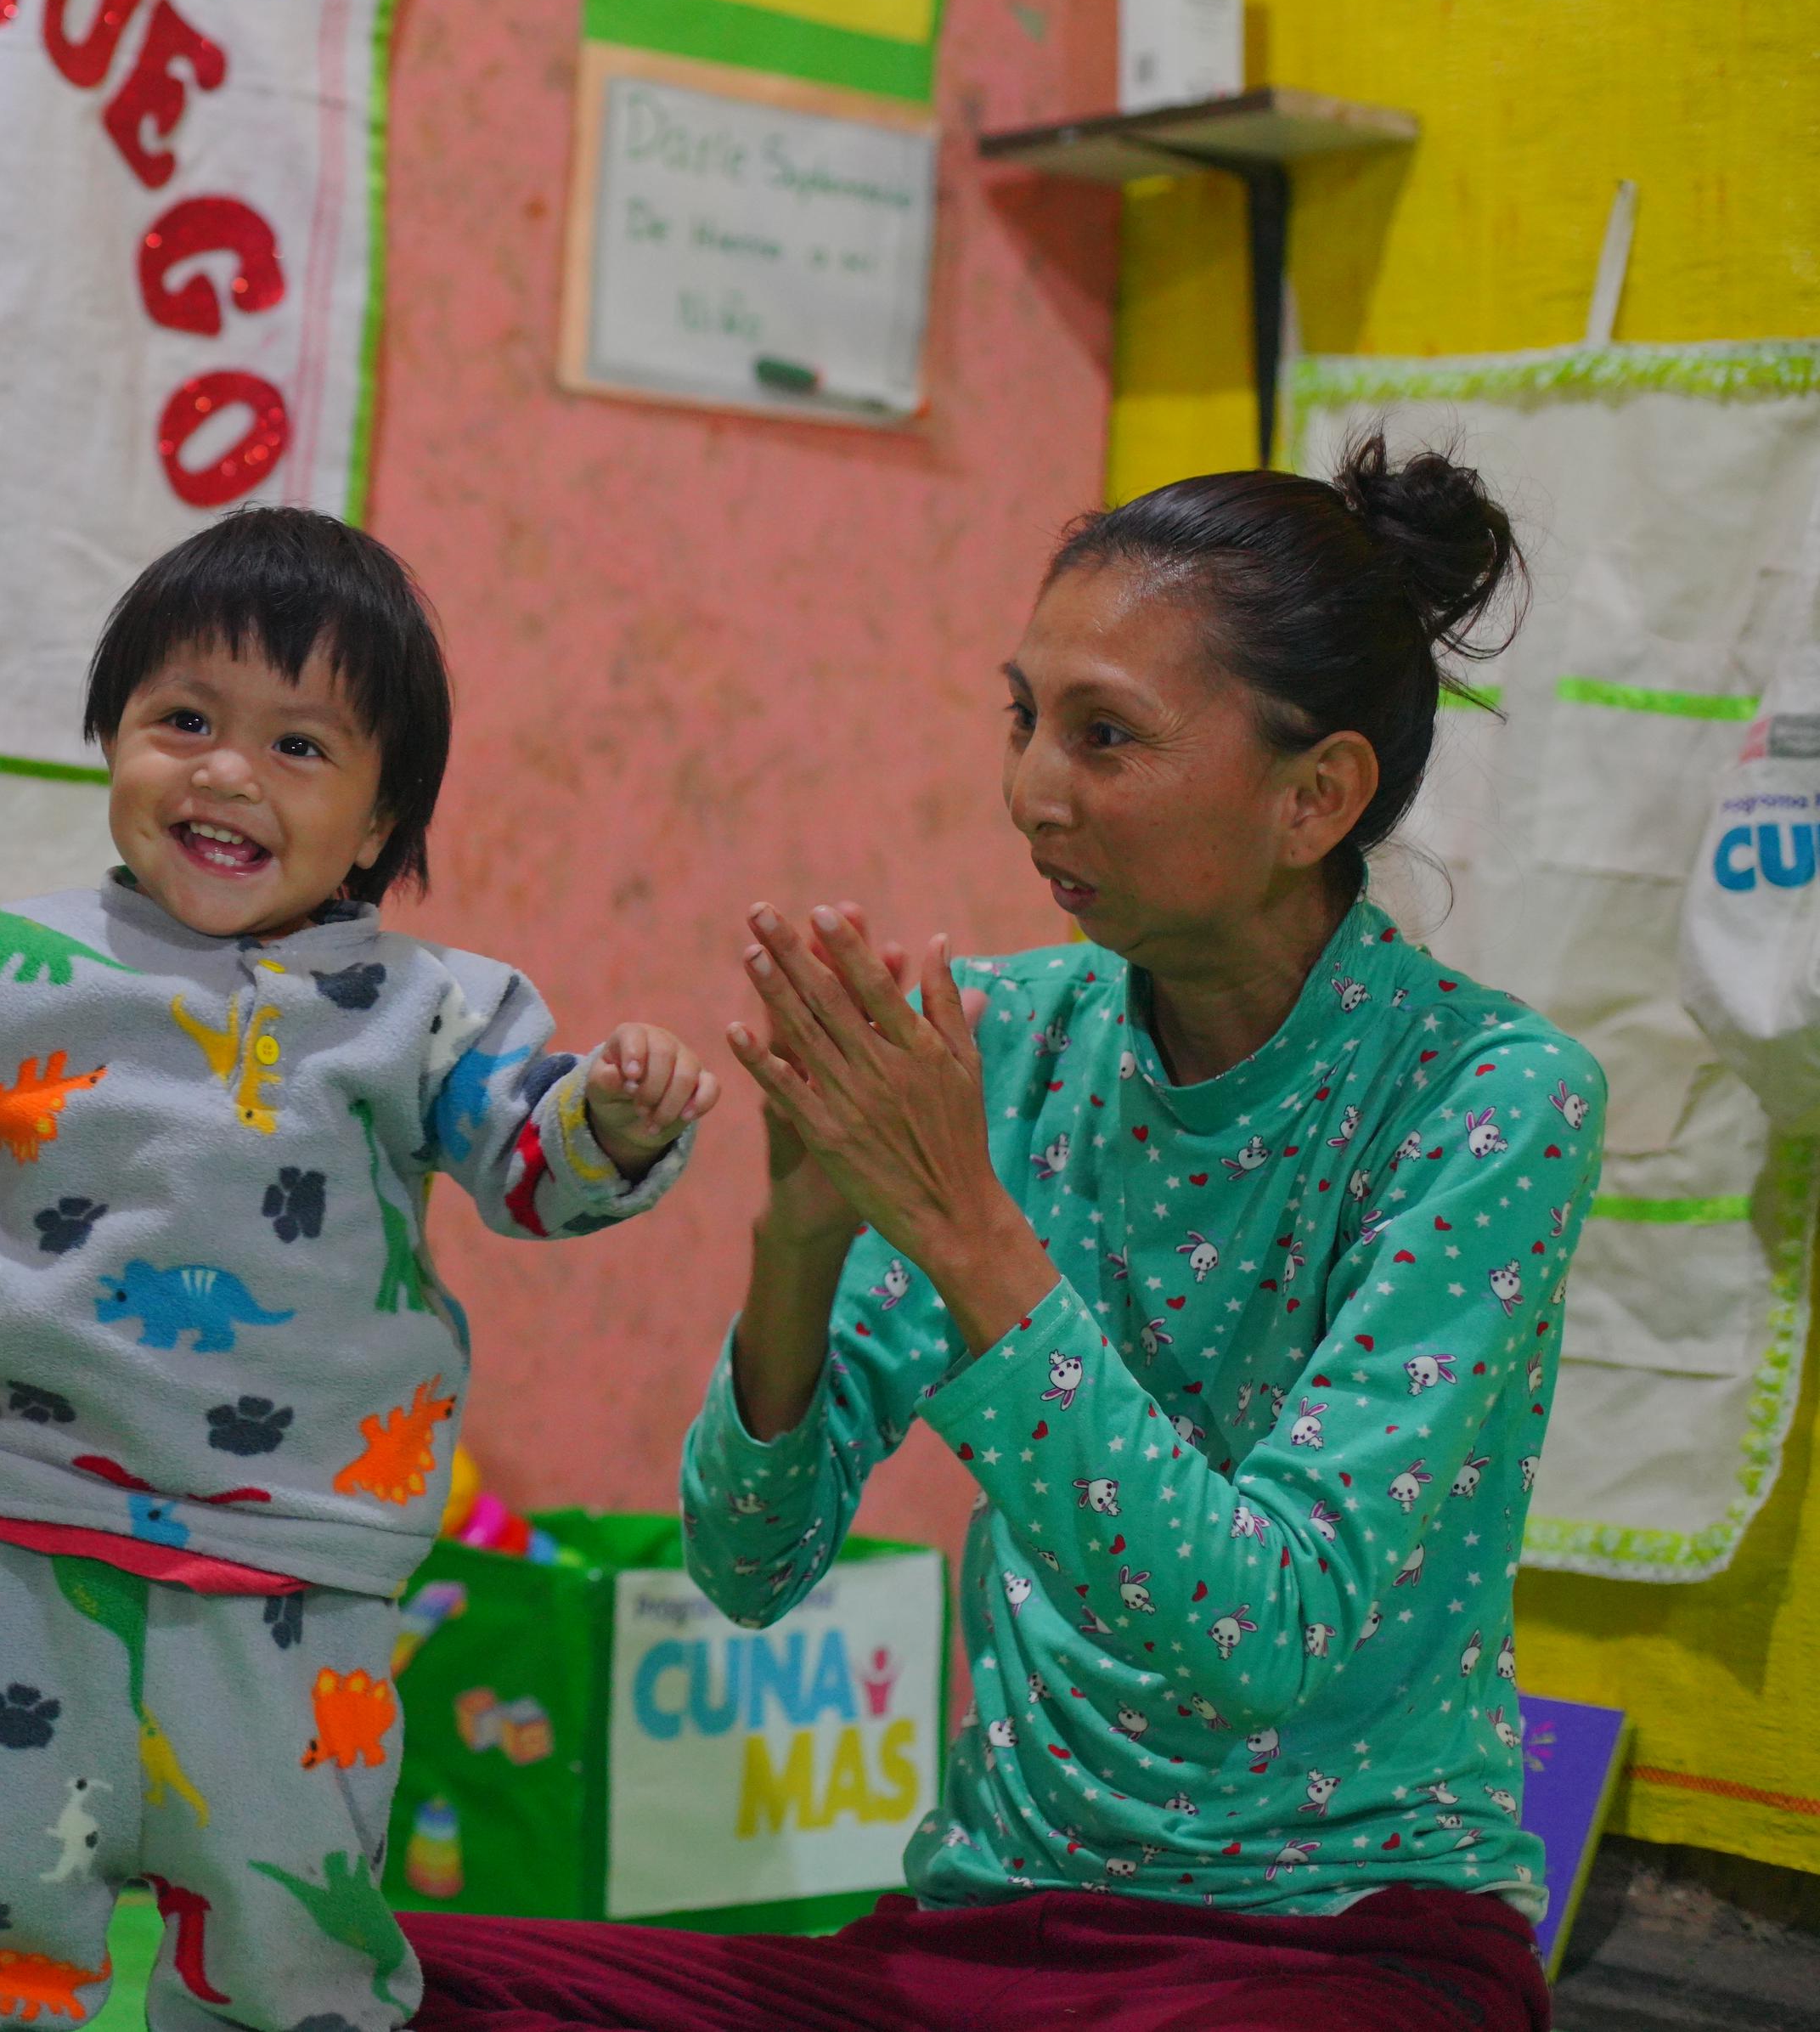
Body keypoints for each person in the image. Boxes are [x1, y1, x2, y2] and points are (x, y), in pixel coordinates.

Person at [406, 438, 1588, 2032]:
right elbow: (747, 1570)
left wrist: (967, 1231)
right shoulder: (1007, 1043)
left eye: (1107, 734)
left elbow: (1268, 1631)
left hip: (1335, 1947)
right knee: (376, 1978)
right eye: (1025, 717)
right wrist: (802, 1234)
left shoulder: (1491, 1099)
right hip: (1001, 1930)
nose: (1032, 788)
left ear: (1317, 794)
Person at [0, 507, 720, 2032]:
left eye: (300, 746)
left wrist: (609, 1117)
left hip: (306, 1551)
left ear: (376, 821)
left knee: (295, 1922)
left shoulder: (427, 1007)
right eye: (185, 719)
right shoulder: (5, 961)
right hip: (35, 1526)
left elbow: (527, 1167)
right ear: (111, 741)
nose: (225, 770)